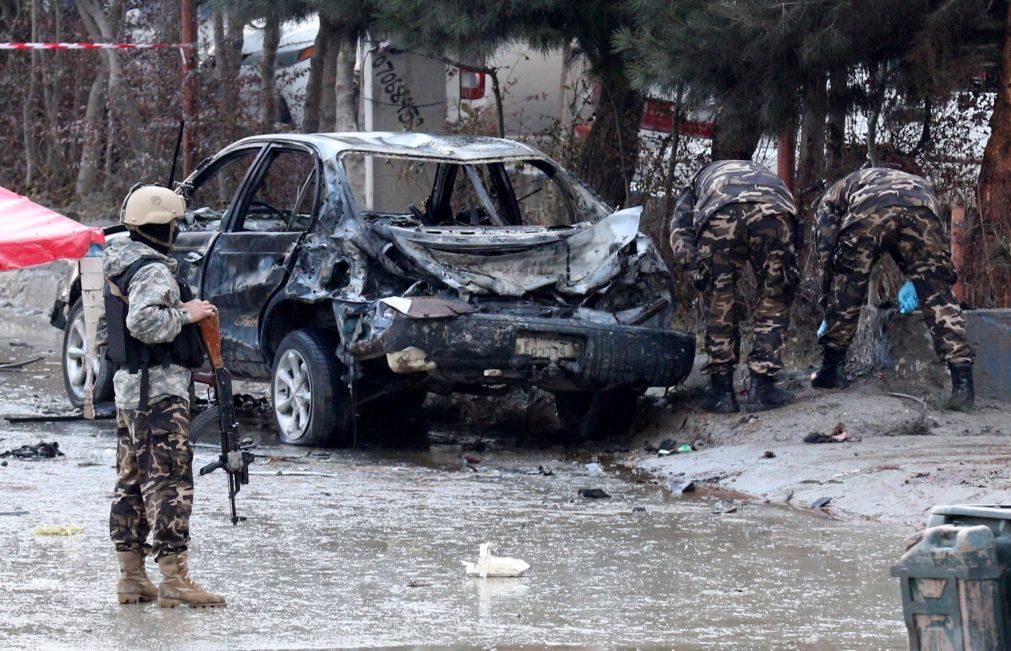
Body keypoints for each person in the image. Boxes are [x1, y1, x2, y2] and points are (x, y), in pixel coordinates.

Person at [103, 184, 225, 607]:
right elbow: (143, 323)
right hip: (158, 392)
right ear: (165, 226)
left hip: (132, 389)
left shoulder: (121, 263)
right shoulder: (153, 270)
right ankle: (175, 578)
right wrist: (187, 314)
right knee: (170, 480)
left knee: (132, 481)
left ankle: (132, 576)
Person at [811, 167, 974, 409]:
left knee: (847, 282)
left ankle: (832, 369)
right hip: (923, 203)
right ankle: (963, 383)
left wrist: (828, 302)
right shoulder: (910, 182)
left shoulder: (830, 200)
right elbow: (935, 258)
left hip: (871, 207)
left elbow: (827, 256)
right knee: (936, 290)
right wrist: (920, 277)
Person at [670, 160, 800, 413]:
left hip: (721, 213)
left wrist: (696, 268)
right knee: (775, 296)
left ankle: (722, 393)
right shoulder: (765, 175)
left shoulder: (698, 180)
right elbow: (796, 229)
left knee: (719, 301)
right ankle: (762, 388)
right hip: (774, 211)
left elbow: (678, 230)